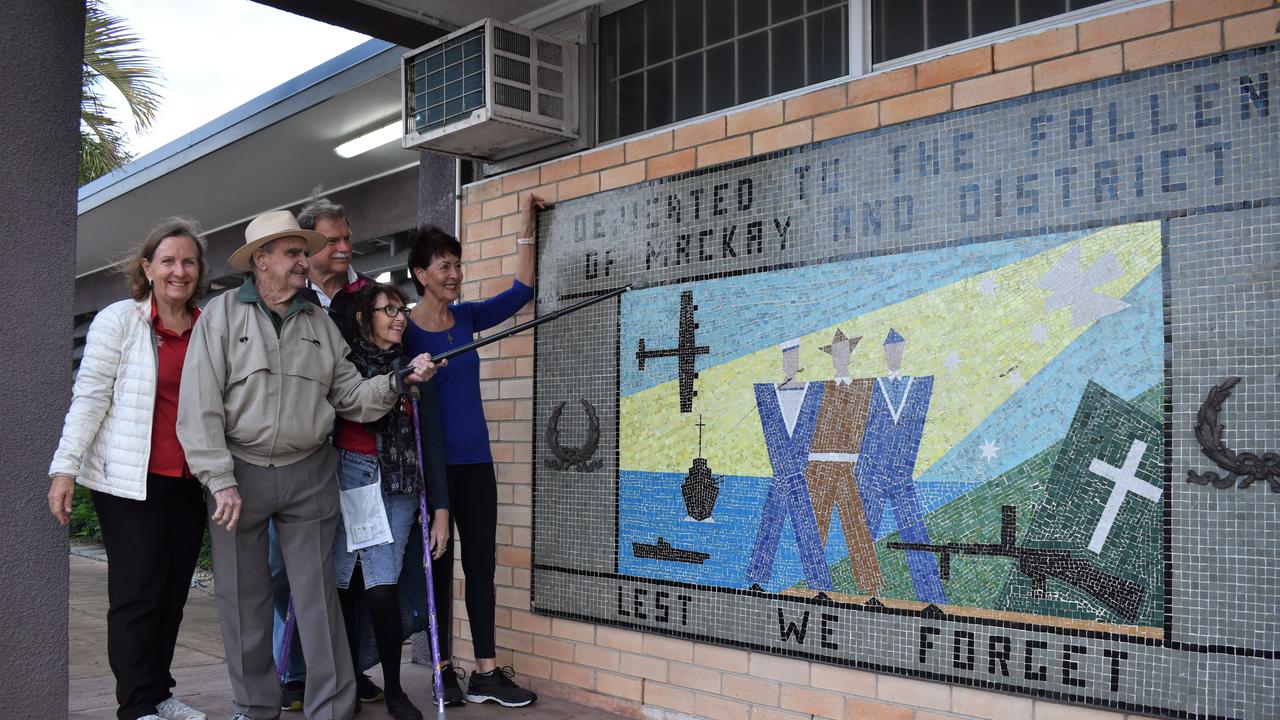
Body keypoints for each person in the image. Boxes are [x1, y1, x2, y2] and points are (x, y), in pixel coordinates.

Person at [176, 210, 440, 720]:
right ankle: (255, 706)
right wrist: (219, 480)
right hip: (238, 475)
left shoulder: (320, 322)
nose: (305, 261)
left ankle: (331, 708)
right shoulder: (223, 314)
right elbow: (199, 405)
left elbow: (350, 395)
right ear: (262, 260)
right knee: (242, 600)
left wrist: (397, 380)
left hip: (309, 471)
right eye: (293, 252)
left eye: (304, 251)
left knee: (318, 598)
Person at [47, 219, 211, 720]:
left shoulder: (209, 325)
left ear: (199, 270)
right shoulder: (120, 320)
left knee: (173, 594)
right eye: (168, 261)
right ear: (147, 267)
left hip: (189, 480)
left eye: (188, 261)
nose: (178, 271)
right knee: (138, 595)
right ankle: (136, 704)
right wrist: (64, 469)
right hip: (128, 483)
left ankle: (159, 692)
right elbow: (90, 397)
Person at [403, 194, 543, 708]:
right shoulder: (404, 330)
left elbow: (521, 293)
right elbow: (387, 385)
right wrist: (411, 375)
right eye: (444, 266)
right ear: (420, 273)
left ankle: (485, 671)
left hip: (476, 464)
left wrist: (525, 229)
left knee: (480, 566)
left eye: (458, 265)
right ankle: (443, 671)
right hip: (433, 472)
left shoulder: (465, 319)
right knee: (438, 569)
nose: (454, 274)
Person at [270, 196, 382, 712]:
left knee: (348, 569)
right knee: (282, 571)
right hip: (299, 455)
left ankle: (347, 670)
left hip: (356, 454)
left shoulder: (372, 294)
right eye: (331, 240)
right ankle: (293, 672)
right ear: (309, 247)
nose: (342, 248)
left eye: (346, 238)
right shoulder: (290, 298)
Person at [331, 282, 450, 720]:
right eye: (388, 309)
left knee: (382, 589)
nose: (399, 317)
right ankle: (344, 682)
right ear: (365, 320)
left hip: (399, 485)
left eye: (402, 308)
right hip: (349, 478)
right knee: (342, 585)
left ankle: (394, 688)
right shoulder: (344, 365)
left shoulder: (416, 368)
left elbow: (431, 441)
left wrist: (441, 508)